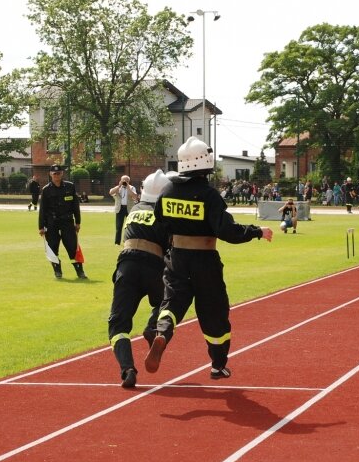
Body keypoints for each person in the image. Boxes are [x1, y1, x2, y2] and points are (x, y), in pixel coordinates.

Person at [147, 137, 273, 379]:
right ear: (204, 162)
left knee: (171, 303)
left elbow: (160, 226)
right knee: (214, 312)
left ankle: (162, 333)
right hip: (205, 261)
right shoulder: (209, 195)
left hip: (177, 259)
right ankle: (217, 365)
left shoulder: (167, 191)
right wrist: (257, 231)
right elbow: (228, 232)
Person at [107, 170, 172, 388]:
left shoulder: (135, 209)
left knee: (118, 324)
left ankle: (127, 369)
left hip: (127, 266)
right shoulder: (166, 215)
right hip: (154, 267)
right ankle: (153, 327)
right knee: (166, 303)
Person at [38, 164, 86, 279]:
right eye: (54, 174)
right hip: (52, 223)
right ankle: (57, 271)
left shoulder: (70, 187)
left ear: (62, 174)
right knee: (53, 247)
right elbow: (42, 209)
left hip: (67, 222)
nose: (56, 175)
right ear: (50, 174)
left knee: (72, 247)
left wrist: (78, 222)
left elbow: (75, 205)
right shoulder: (46, 190)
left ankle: (80, 272)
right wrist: (41, 227)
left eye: (58, 173)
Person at [110, 175, 139, 245]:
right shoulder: (118, 188)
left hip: (129, 209)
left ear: (129, 181)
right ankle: (117, 242)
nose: (125, 182)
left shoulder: (132, 188)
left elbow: (135, 196)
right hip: (120, 209)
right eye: (124, 181)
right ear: (120, 180)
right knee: (119, 226)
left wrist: (128, 187)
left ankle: (130, 241)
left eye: (127, 181)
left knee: (130, 226)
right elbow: (111, 192)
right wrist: (119, 186)